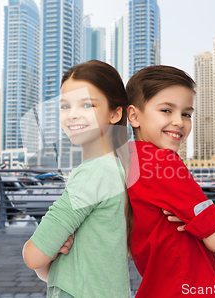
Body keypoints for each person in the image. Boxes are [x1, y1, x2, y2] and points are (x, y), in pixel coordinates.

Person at [22, 60, 130, 298]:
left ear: (115, 113)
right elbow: (53, 269)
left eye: (87, 105)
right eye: (65, 106)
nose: (72, 115)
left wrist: (47, 249)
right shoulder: (119, 168)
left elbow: (34, 256)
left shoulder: (93, 173)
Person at [125, 65, 215, 297]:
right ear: (134, 115)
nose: (179, 122)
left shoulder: (128, 159)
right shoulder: (164, 163)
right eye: (166, 110)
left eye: (186, 114)